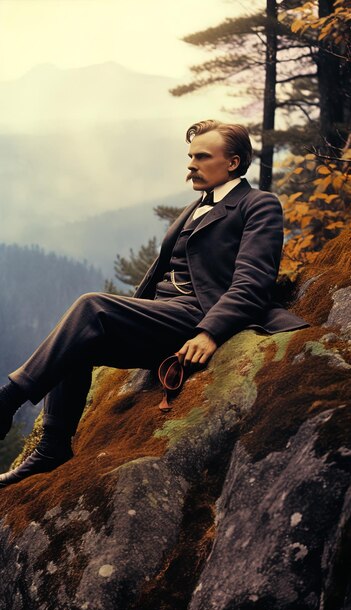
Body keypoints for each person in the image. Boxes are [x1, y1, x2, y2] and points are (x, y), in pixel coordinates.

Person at [0, 119, 307, 487]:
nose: (191, 164)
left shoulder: (258, 205)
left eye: (202, 157)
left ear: (233, 163)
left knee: (91, 305)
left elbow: (253, 283)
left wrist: (211, 331)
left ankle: (8, 399)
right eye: (190, 156)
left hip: (198, 313)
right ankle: (52, 448)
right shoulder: (196, 206)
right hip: (163, 317)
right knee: (77, 340)